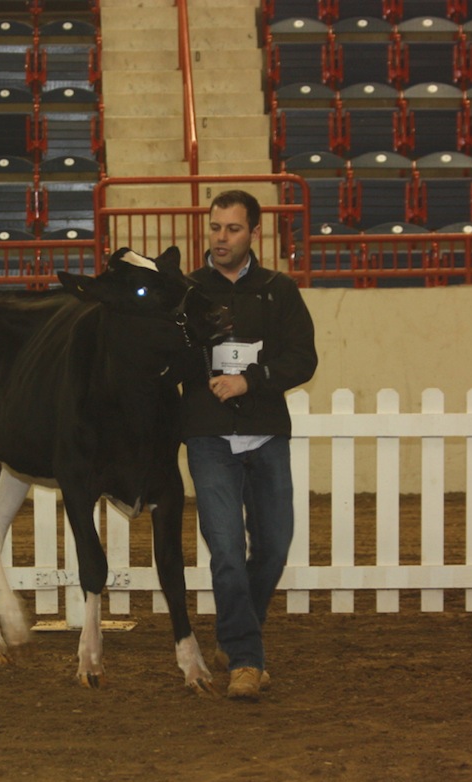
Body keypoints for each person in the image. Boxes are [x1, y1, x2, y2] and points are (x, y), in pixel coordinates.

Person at [181, 189, 318, 701]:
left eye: (233, 229)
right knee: (226, 552)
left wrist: (250, 380)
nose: (221, 238)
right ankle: (245, 659)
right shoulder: (188, 292)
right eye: (215, 227)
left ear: (254, 233)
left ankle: (237, 633)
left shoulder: (279, 290)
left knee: (274, 547)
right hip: (208, 437)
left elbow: (303, 359)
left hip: (266, 434)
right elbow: (166, 360)